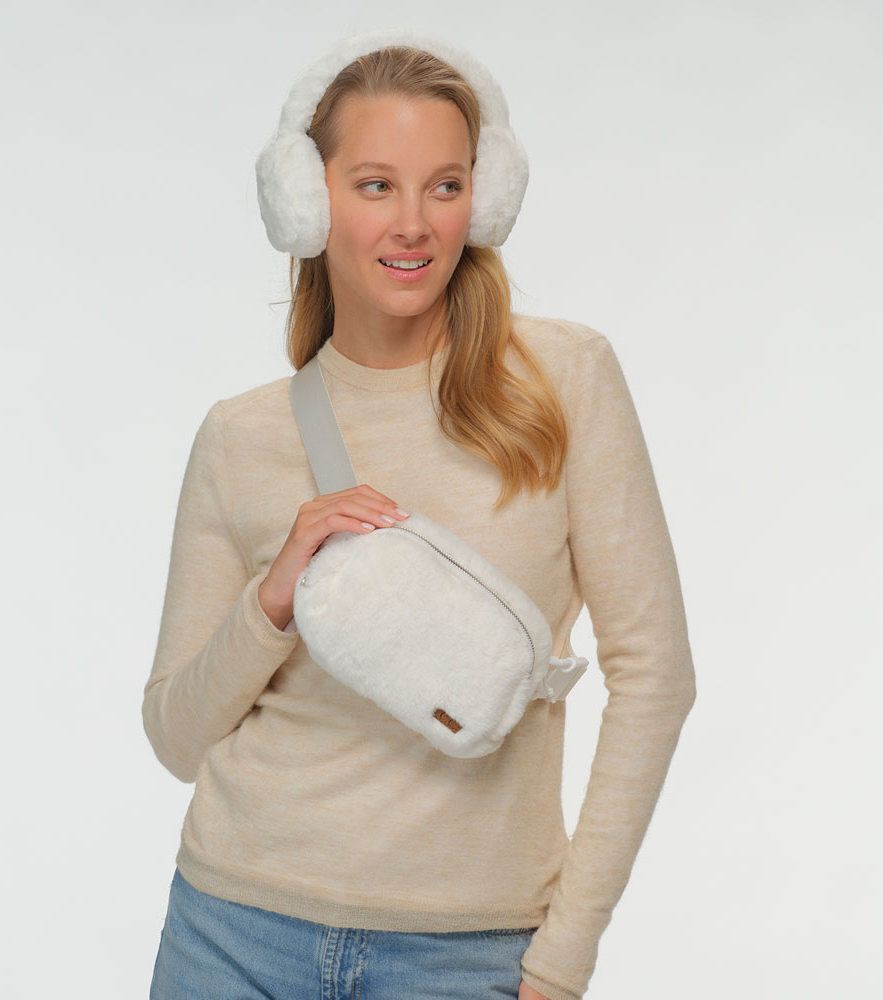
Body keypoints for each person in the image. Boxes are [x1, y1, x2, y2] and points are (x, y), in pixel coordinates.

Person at [142, 31, 695, 1000]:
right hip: (232, 931)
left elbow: (656, 676)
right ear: (309, 201)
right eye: (374, 185)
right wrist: (273, 600)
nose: (413, 224)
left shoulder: (563, 380)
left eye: (445, 186)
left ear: (483, 199)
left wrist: (563, 956)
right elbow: (175, 737)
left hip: (463, 951)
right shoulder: (240, 435)